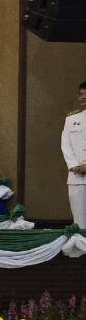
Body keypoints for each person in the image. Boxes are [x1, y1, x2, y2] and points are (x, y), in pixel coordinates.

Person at [64, 81, 86, 228]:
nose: (83, 97)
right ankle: (81, 250)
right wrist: (74, 166)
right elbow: (65, 145)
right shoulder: (71, 119)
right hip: (76, 177)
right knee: (79, 221)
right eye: (80, 94)